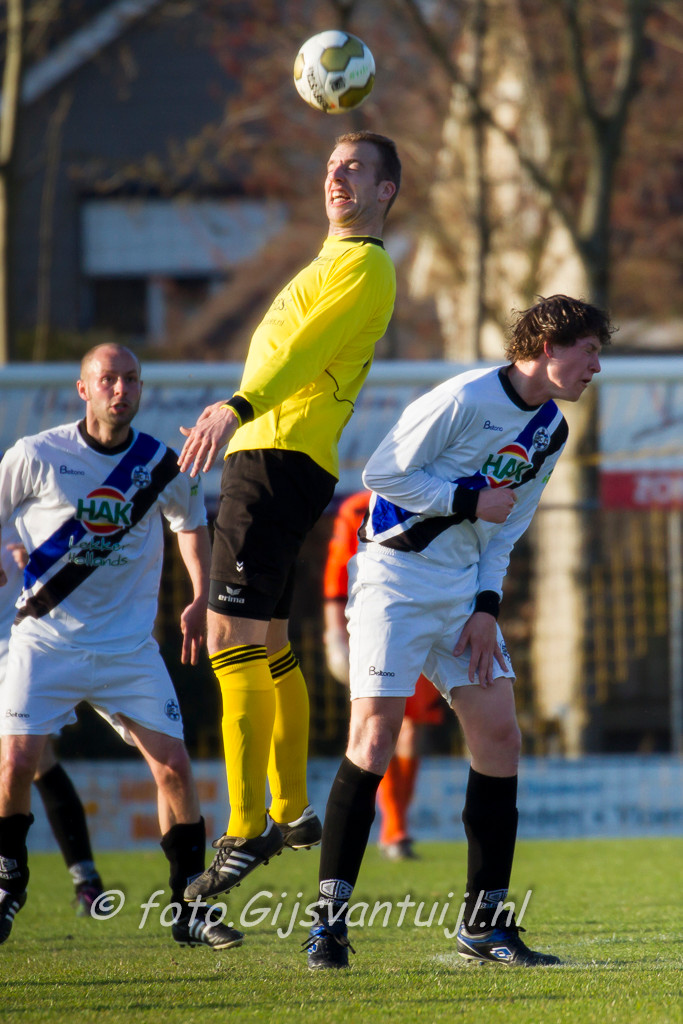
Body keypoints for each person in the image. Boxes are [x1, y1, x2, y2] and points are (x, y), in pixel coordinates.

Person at [306, 294, 615, 969]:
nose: (595, 366)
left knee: (501, 736)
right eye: (588, 351)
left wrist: (485, 608)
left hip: (462, 594)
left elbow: (507, 530)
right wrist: (467, 499)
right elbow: (381, 474)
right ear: (547, 348)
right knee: (374, 737)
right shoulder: (464, 397)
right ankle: (327, 923)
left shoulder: (551, 431)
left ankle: (484, 924)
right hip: (393, 579)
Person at [177, 130, 401, 902]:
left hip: (274, 458)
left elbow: (302, 352)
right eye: (332, 166)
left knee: (228, 638)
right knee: (268, 641)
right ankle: (293, 811)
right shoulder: (332, 258)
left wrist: (237, 407)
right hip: (276, 458)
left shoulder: (363, 265)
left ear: (385, 191)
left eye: (356, 168)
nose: (338, 176)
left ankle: (244, 831)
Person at [0, 343, 242, 950]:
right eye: (107, 379)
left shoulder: (160, 463)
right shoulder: (36, 454)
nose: (120, 389)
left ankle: (189, 907)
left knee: (175, 769)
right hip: (45, 640)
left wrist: (201, 595)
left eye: (131, 379)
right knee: (15, 765)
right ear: (83, 389)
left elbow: (191, 524)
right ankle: (8, 882)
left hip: (128, 650)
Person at [323, 490, 446, 861]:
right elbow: (337, 575)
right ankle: (393, 828)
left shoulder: (438, 495)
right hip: (375, 624)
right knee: (380, 725)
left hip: (428, 620)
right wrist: (335, 633)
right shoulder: (358, 507)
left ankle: (396, 825)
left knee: (411, 730)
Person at [0, 510, 104, 917]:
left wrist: (34, 555)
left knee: (34, 760)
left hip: (22, 645)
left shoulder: (18, 505)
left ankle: (85, 880)